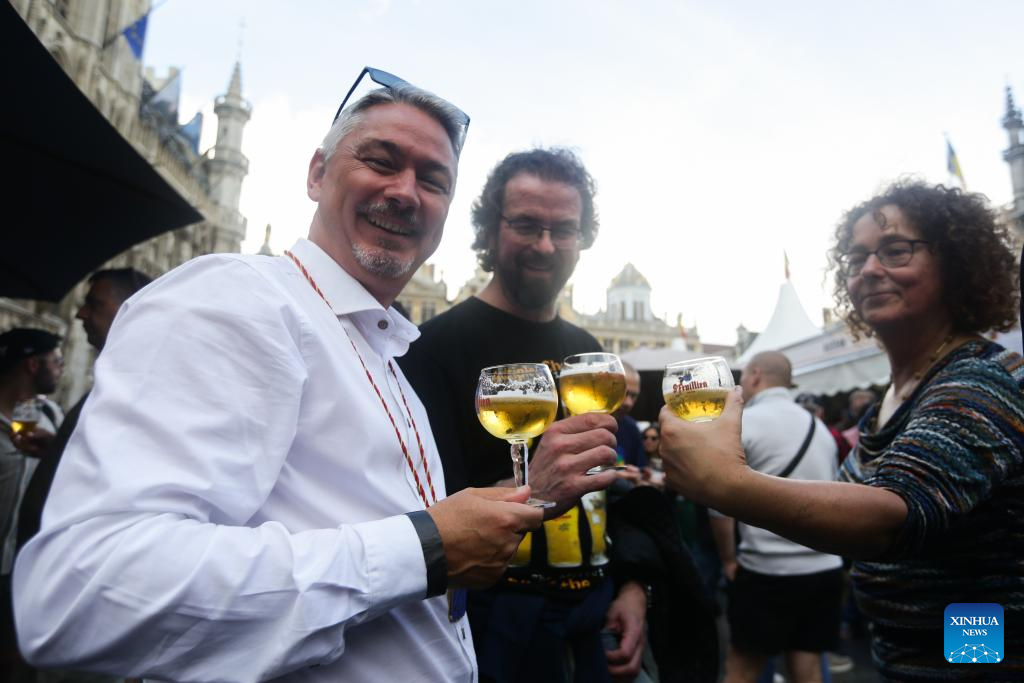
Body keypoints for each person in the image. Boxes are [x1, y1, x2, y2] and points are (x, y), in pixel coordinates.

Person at [13, 71, 550, 682]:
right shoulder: (239, 299)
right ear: (317, 173)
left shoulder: (382, 351)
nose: (406, 192)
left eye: (433, 181)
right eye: (380, 161)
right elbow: (84, 593)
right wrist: (424, 548)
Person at [659, 180, 1023, 679]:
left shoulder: (982, 378)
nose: (869, 269)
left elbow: (894, 515)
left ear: (955, 265)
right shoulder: (895, 397)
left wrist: (722, 483)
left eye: (895, 250)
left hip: (979, 652)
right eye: (856, 258)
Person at [400, 148, 649, 682]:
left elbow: (609, 481)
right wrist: (533, 490)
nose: (545, 245)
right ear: (491, 231)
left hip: (592, 615)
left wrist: (632, 587)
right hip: (494, 624)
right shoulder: (433, 348)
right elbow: (421, 511)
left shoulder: (587, 350)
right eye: (527, 225)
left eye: (564, 229)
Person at [711, 352, 843, 683]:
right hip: (823, 568)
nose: (741, 383)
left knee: (742, 668)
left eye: (743, 376)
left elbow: (719, 505)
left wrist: (728, 560)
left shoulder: (744, 422)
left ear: (756, 375)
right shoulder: (819, 427)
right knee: (808, 667)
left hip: (766, 569)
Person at [17, 268, 153, 552]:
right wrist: (63, 448)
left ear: (131, 310)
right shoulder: (117, 381)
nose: (80, 314)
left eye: (94, 304)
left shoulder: (140, 390)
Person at [0, 328, 63, 681]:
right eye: (56, 361)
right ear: (32, 365)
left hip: (23, 572)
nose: (61, 370)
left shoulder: (51, 415)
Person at [795, 392, 850, 464]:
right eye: (802, 411)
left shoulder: (834, 435)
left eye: (811, 411)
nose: (807, 414)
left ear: (821, 411)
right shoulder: (789, 436)